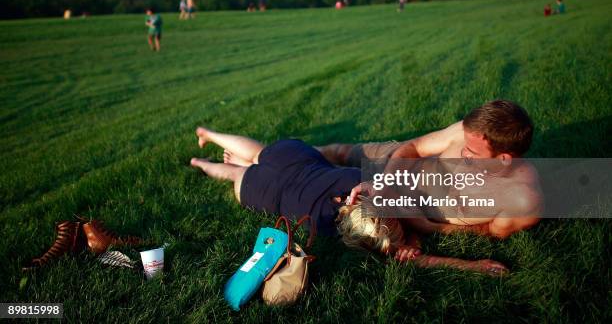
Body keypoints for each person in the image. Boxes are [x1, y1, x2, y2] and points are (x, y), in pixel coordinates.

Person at [189, 127, 509, 275]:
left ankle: (209, 139)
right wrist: (473, 266)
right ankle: (205, 163)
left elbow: (412, 248)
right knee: (235, 174)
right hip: (280, 186)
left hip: (294, 169)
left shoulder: (370, 202)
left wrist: (474, 265)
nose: (403, 229)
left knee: (256, 155)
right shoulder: (363, 225)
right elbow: (416, 256)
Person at [316, 100, 542, 239]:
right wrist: (384, 184)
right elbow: (414, 147)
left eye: (472, 152)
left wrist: (427, 226)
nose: (464, 153)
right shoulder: (468, 133)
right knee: (340, 153)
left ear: (503, 159)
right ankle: (294, 146)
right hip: (397, 167)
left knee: (322, 183)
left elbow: (491, 231)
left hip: (406, 212)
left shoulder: (521, 201)